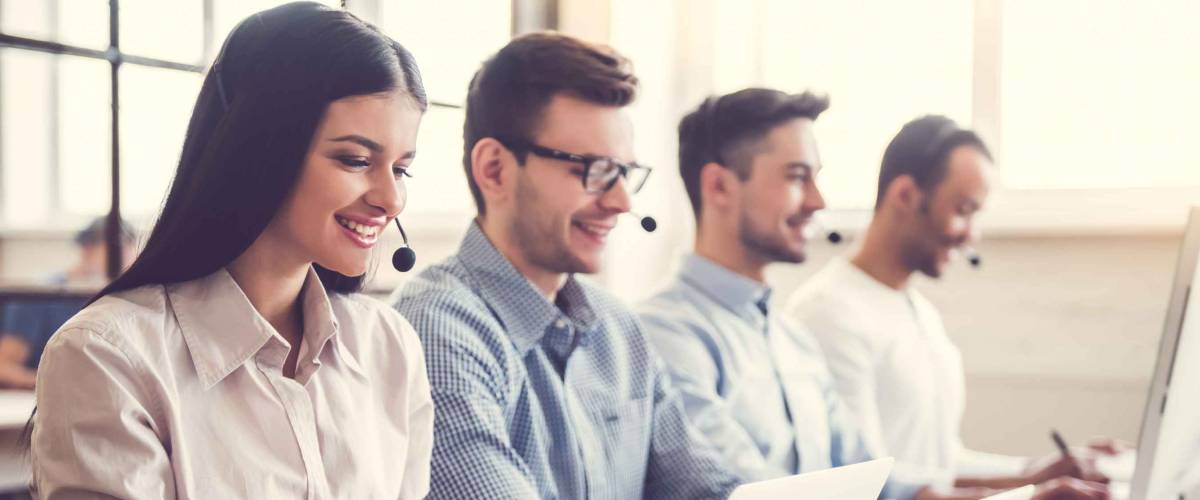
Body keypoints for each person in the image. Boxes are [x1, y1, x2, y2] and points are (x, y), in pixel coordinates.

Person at [31, 3, 432, 497]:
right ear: (261, 148)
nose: (391, 199)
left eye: (402, 169)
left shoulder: (389, 347)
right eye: (355, 159)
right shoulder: (107, 357)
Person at [638, 90, 1107, 500]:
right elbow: (753, 495)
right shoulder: (666, 339)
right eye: (798, 176)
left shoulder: (792, 340)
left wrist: (1029, 489)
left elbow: (879, 482)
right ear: (719, 185)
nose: (820, 201)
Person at [391, 32, 741, 500]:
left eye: (624, 173)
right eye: (593, 170)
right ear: (494, 169)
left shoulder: (621, 331)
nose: (620, 202)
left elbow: (705, 489)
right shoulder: (435, 331)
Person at [786, 115, 1111, 495]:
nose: (971, 234)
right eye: (963, 210)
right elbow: (870, 483)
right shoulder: (828, 315)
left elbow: (937, 462)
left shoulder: (920, 312)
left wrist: (1038, 471)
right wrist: (1029, 494)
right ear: (905, 195)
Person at [0, 217, 136, 389]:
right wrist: (59, 385)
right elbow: (4, 367)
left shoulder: (122, 300)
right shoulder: (38, 296)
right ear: (88, 250)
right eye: (116, 255)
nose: (123, 263)